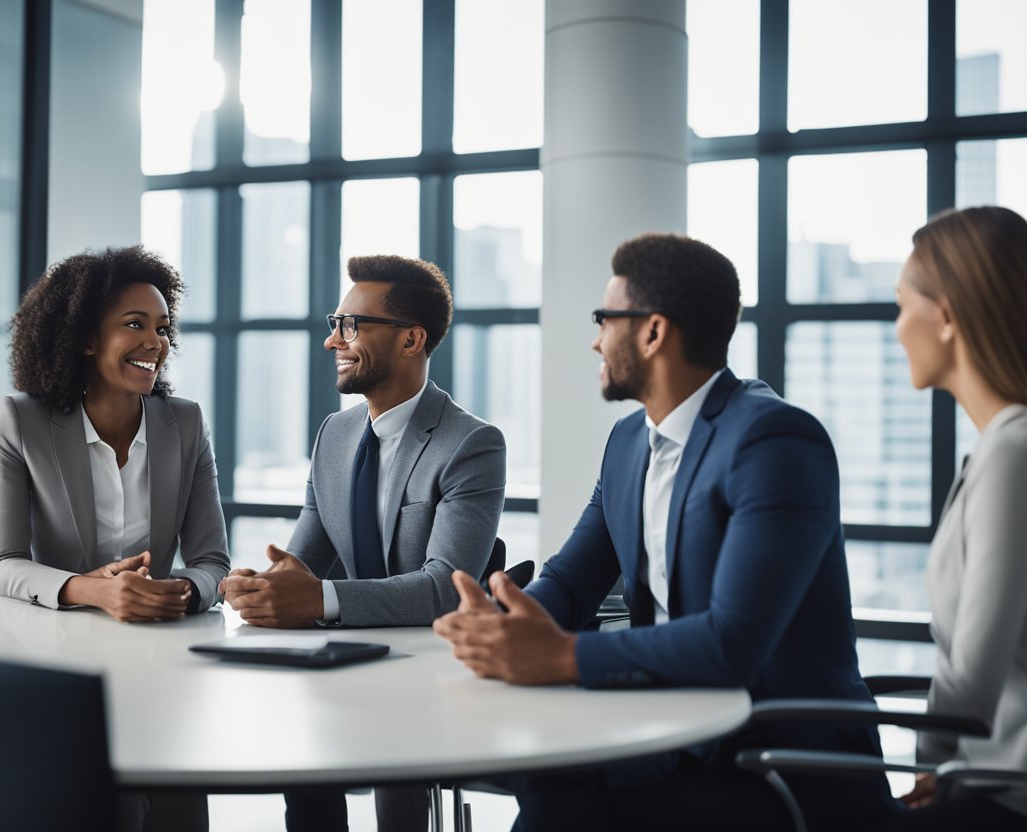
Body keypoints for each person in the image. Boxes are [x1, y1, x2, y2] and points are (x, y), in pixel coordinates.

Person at [434, 232, 892, 830]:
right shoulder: (629, 442)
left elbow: (732, 644)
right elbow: (571, 583)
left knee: (564, 795)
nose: (594, 339)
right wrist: (512, 622)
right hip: (666, 732)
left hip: (772, 760)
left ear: (652, 332)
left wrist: (562, 654)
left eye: (605, 319)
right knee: (549, 777)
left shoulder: (773, 441)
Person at [221, 254, 506, 832]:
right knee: (301, 768)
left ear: (411, 340)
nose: (332, 340)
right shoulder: (336, 432)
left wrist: (317, 599)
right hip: (341, 664)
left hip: (426, 670)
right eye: (336, 322)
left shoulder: (470, 444)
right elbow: (302, 559)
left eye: (351, 325)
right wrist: (261, 586)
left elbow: (444, 590)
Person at [0, 245, 229, 831]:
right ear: (86, 338)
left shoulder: (185, 423)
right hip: (57, 664)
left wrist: (183, 594)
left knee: (177, 810)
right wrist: (93, 591)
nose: (156, 342)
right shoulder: (21, 419)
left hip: (160, 661)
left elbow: (213, 560)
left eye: (163, 327)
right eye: (135, 325)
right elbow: (2, 564)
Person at [871, 206, 1027, 831]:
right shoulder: (1000, 448)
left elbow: (971, 681)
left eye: (902, 305)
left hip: (1003, 799)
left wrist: (931, 771)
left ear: (946, 317)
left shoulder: (1012, 454)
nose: (895, 327)